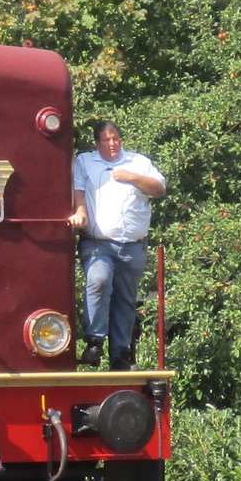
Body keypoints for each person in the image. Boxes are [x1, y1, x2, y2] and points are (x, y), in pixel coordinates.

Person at [68, 120, 166, 369]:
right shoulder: (85, 161)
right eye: (106, 139)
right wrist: (80, 211)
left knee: (125, 298)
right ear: (96, 142)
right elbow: (78, 190)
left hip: (133, 245)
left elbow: (159, 189)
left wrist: (131, 177)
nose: (112, 143)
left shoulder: (138, 162)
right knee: (99, 280)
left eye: (115, 139)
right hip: (98, 242)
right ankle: (94, 341)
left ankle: (121, 355)